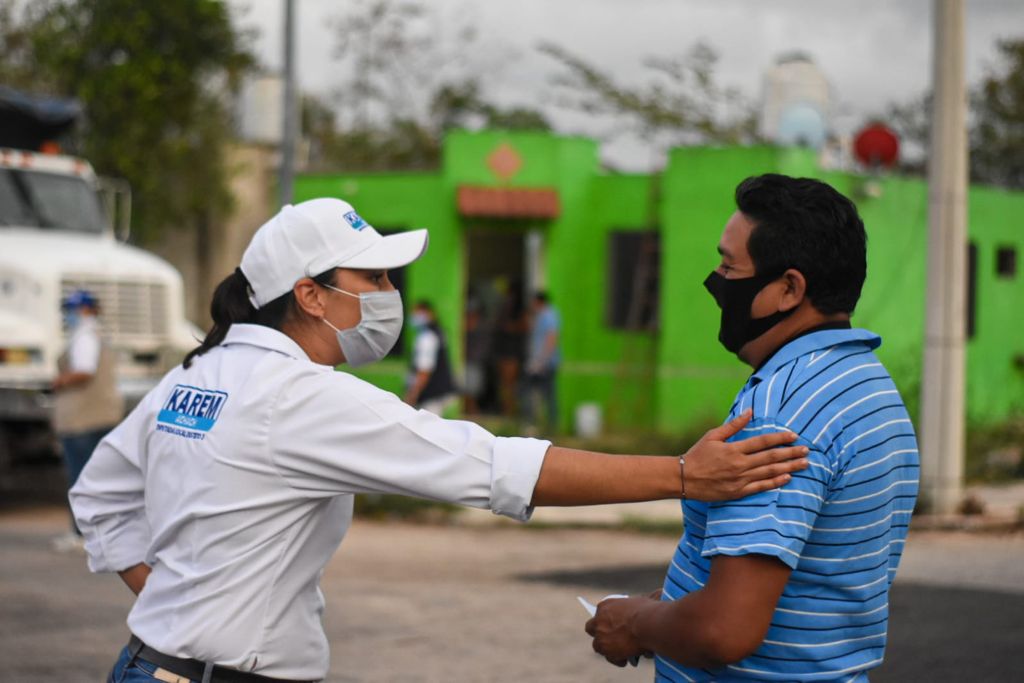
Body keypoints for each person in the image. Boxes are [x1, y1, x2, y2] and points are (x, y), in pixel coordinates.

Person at [69, 197, 809, 683]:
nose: (388, 291)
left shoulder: (201, 373)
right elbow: (490, 466)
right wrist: (683, 474)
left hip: (148, 662)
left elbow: (97, 495)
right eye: (374, 275)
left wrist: (173, 602)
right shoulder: (301, 396)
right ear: (310, 294)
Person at [585, 174, 920, 681]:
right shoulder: (866, 385)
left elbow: (726, 630)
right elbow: (808, 579)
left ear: (788, 288)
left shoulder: (779, 412)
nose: (717, 281)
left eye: (728, 265)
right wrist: (672, 604)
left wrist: (636, 623)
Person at [52, 288, 123, 551]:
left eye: (71, 309)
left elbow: (84, 370)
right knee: (98, 478)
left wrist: (59, 381)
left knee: (81, 478)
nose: (68, 315)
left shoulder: (84, 335)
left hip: (82, 420)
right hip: (99, 415)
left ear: (84, 309)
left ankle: (82, 534)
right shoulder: (96, 333)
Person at [404, 299, 457, 415]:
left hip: (432, 394)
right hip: (439, 391)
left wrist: (412, 395)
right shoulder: (439, 333)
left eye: (418, 313)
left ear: (430, 314)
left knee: (429, 428)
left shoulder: (427, 338)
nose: (414, 317)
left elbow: (424, 370)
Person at [522, 291, 560, 433]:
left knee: (548, 395)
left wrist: (541, 361)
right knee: (533, 393)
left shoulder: (549, 316)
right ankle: (536, 424)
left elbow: (551, 338)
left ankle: (551, 427)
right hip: (539, 362)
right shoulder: (541, 316)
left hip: (545, 364)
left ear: (539, 302)